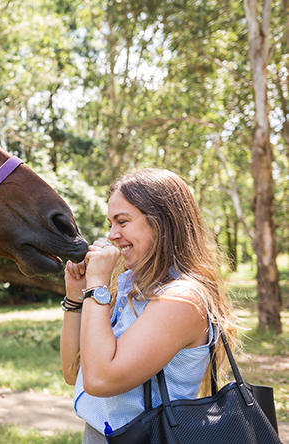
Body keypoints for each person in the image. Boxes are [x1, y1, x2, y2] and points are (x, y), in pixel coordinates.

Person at [60, 168, 238, 444]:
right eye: (110, 223)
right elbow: (75, 374)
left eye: (122, 221)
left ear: (161, 222)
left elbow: (99, 381)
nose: (112, 234)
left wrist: (97, 285)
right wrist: (75, 296)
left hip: (151, 437)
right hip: (101, 435)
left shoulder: (182, 299)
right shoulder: (132, 287)